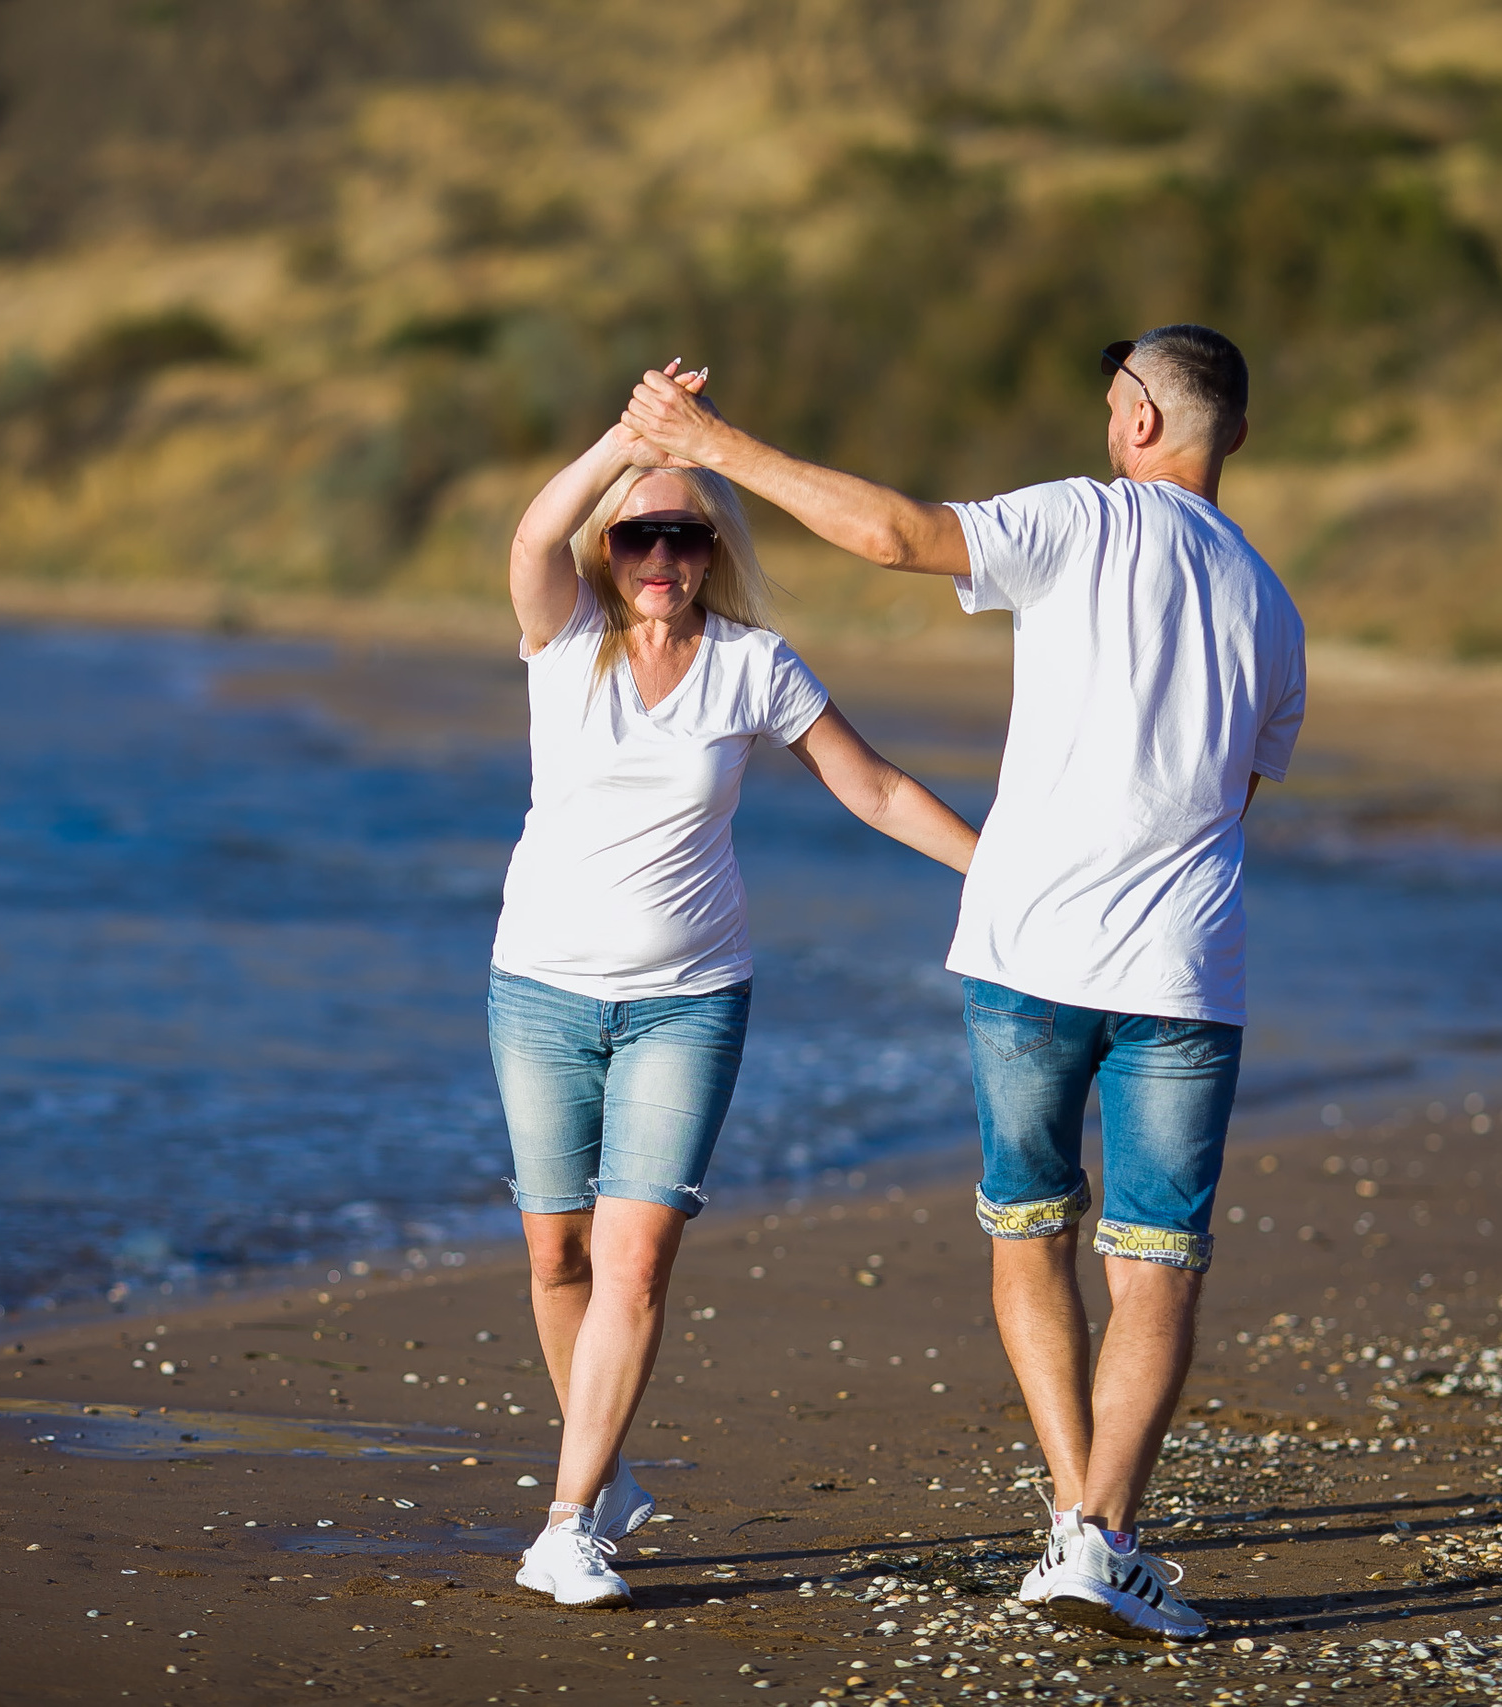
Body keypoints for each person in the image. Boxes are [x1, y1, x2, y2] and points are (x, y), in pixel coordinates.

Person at [621, 326, 1305, 1642]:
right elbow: (1231, 802)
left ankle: (1080, 1523)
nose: (1110, 424)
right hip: (1183, 969)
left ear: (1146, 421)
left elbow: (889, 533)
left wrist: (711, 446)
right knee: (1156, 1264)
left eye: (1116, 402)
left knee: (1029, 1225)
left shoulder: (1085, 521)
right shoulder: (1274, 609)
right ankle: (1096, 1534)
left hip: (1027, 949)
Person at [496, 361, 980, 1609]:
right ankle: (599, 1470)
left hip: (689, 999)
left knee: (635, 1254)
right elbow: (535, 529)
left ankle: (568, 1523)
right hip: (540, 993)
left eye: (686, 535)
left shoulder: (754, 666)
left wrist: (996, 872)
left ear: (714, 548)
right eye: (641, 534)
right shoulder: (562, 640)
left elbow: (869, 787)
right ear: (614, 545)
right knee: (557, 1258)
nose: (662, 555)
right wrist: (632, 438)